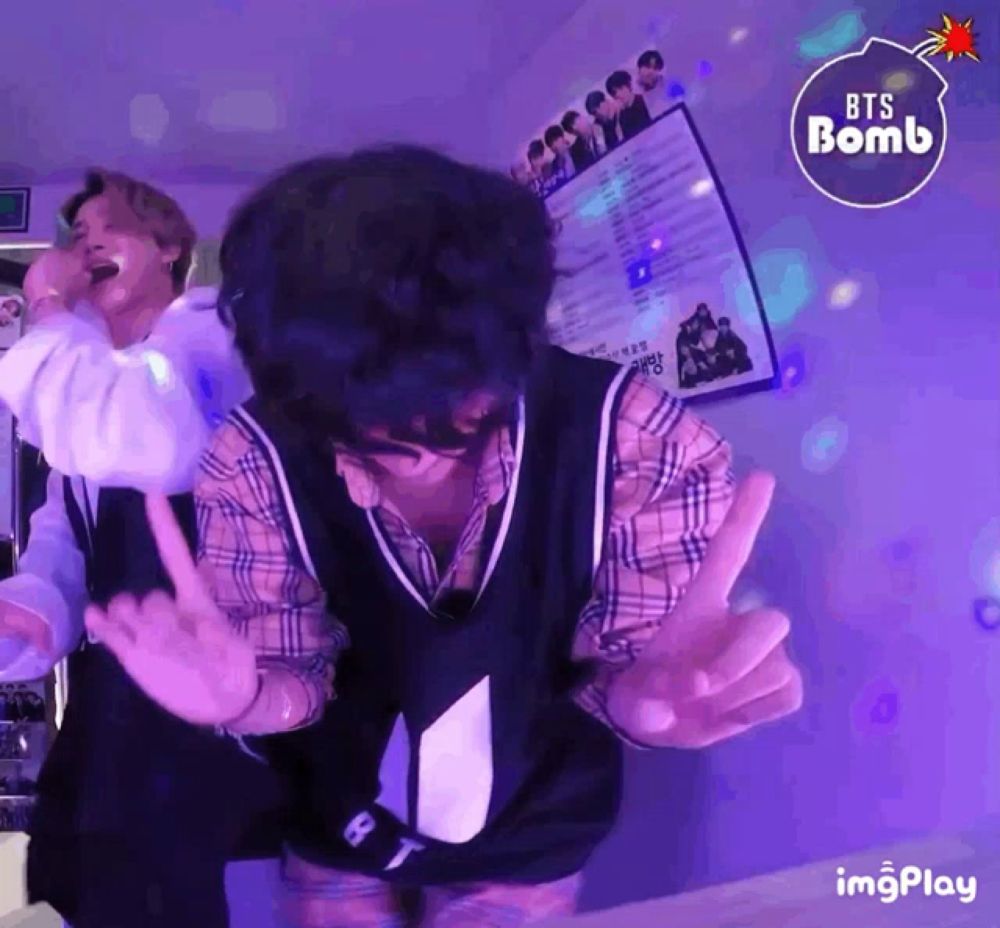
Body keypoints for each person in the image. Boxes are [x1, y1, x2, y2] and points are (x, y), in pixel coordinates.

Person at [85, 147, 803, 927]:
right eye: (362, 415)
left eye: (452, 402)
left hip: (534, 836)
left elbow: (627, 676)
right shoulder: (252, 459)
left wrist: (646, 698)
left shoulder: (636, 437)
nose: (414, 449)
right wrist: (246, 697)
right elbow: (292, 677)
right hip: (337, 826)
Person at [0, 169, 283, 926]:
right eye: (78, 237)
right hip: (110, 714)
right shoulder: (88, 403)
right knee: (75, 881)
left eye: (110, 229)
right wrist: (24, 616)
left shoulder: (213, 336)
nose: (87, 247)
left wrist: (48, 306)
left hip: (218, 699)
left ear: (168, 247)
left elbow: (148, 435)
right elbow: (60, 553)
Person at [606, 70, 652, 140]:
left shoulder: (645, 100)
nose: (618, 94)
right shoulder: (621, 115)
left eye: (620, 88)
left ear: (629, 85)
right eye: (614, 93)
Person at [636, 49, 669, 120]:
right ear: (639, 68)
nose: (651, 71)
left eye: (655, 68)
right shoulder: (633, 91)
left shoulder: (666, 86)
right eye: (648, 66)